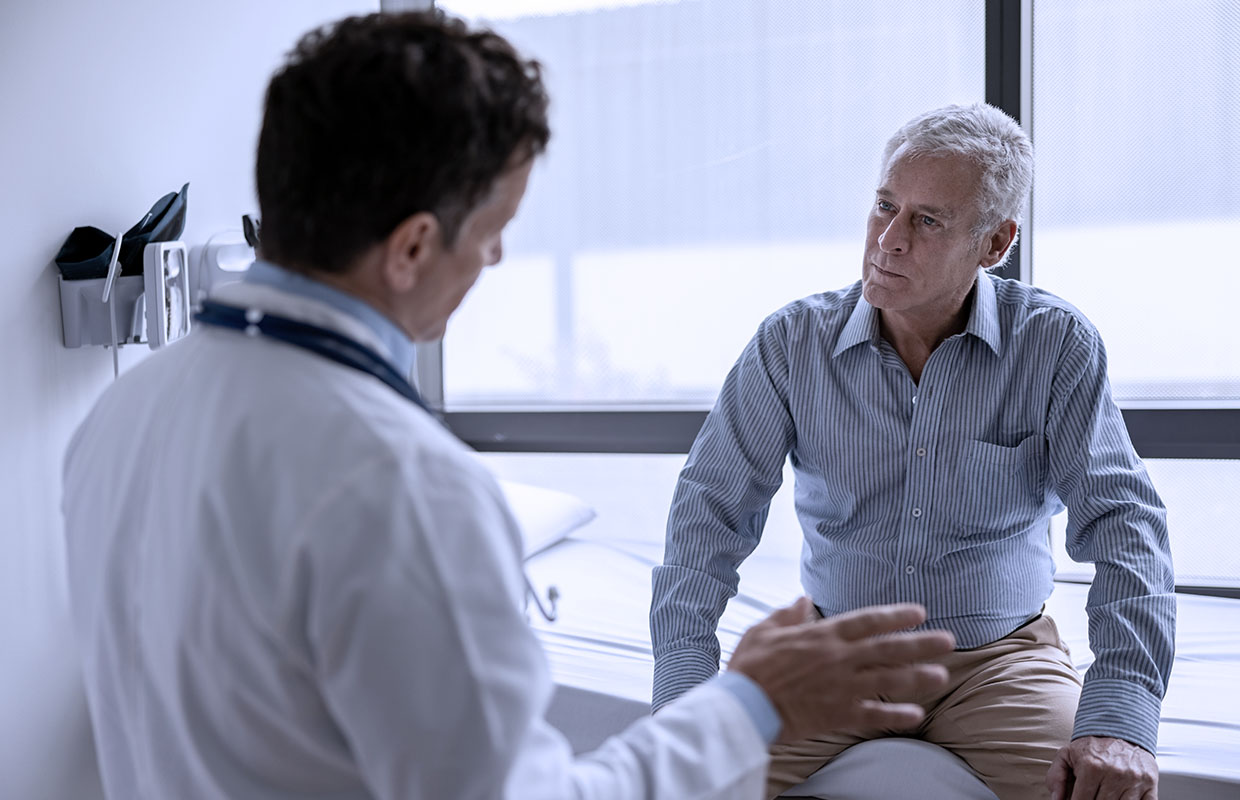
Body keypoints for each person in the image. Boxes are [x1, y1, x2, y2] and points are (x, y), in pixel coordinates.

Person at [60, 12, 956, 800]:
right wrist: (754, 700)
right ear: (412, 246)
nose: (491, 263)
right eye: (491, 234)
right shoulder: (404, 485)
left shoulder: (120, 416)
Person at [649, 103, 1176, 800]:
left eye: (927, 221)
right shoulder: (789, 345)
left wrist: (1122, 717)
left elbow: (1126, 526)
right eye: (884, 206)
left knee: (1101, 790)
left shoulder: (1055, 347)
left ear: (995, 242)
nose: (887, 240)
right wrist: (685, 688)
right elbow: (707, 516)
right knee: (681, 781)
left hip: (1001, 662)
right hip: (833, 657)